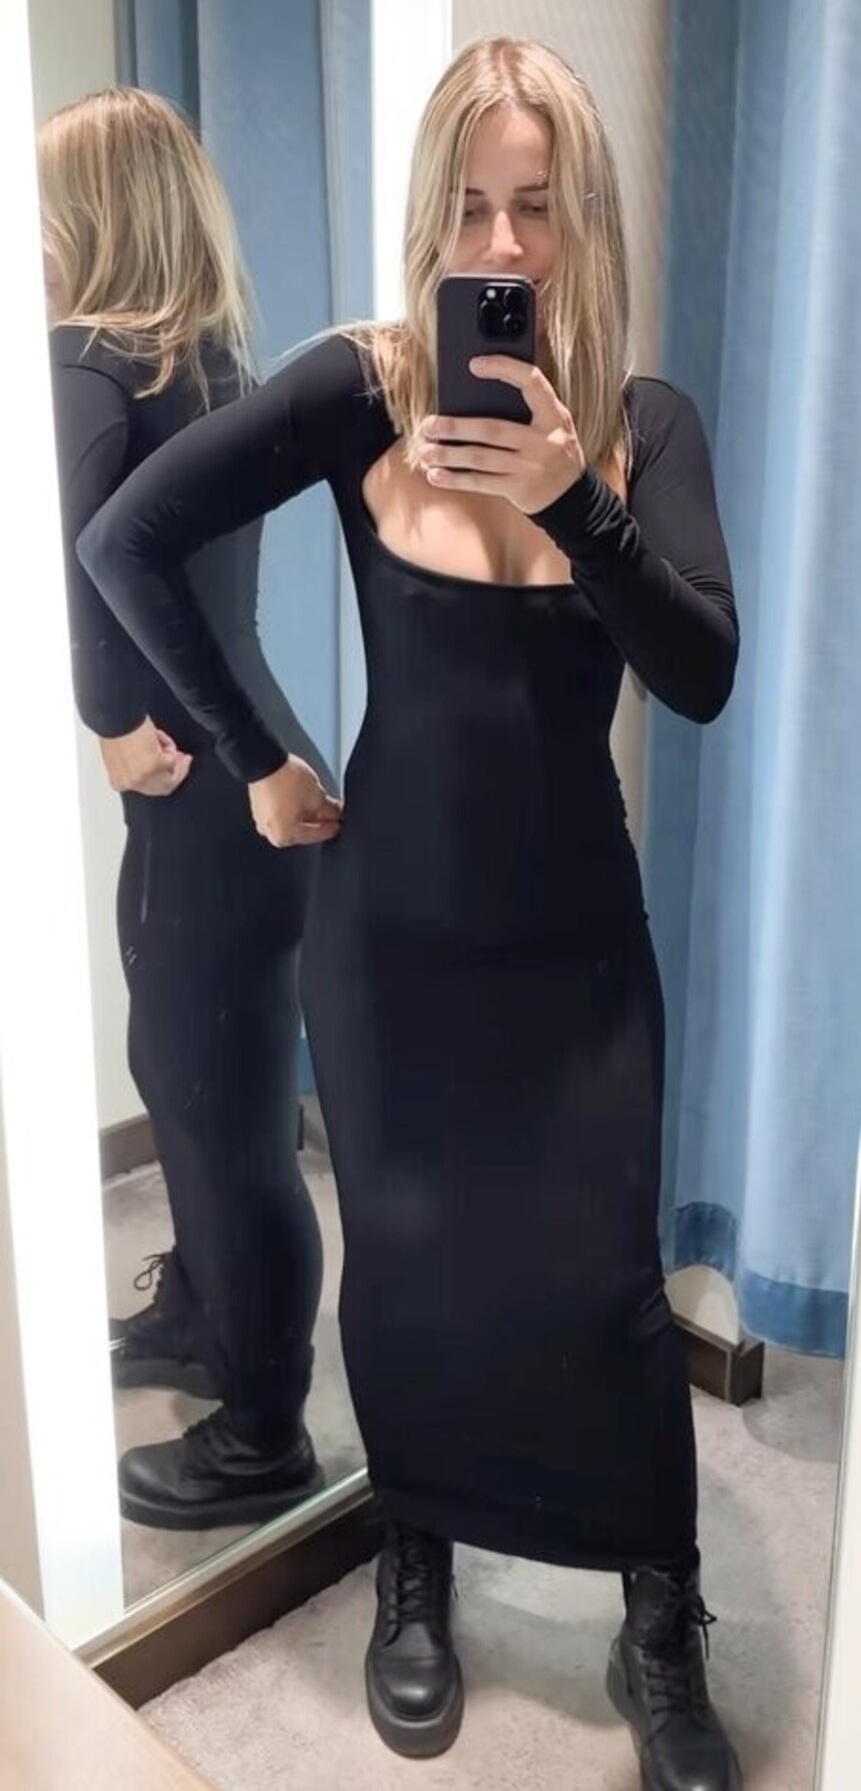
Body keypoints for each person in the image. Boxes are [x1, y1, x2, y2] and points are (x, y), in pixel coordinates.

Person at [78, 40, 743, 1788]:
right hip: (388, 948)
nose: (501, 245)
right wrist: (251, 760)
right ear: (429, 223)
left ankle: (659, 1611)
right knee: (412, 1271)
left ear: (585, 222)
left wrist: (570, 500)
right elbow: (125, 542)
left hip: (576, 950)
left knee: (605, 1287)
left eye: (536, 205)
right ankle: (418, 1564)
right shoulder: (364, 391)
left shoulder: (641, 424)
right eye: (470, 207)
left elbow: (702, 673)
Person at [41, 87, 335, 1529]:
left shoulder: (86, 362)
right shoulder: (212, 360)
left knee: (219, 1115)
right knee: (212, 1089)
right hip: (251, 763)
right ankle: (205, 1317)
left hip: (202, 785)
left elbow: (90, 551)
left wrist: (105, 718)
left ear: (91, 218)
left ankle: (265, 1431)